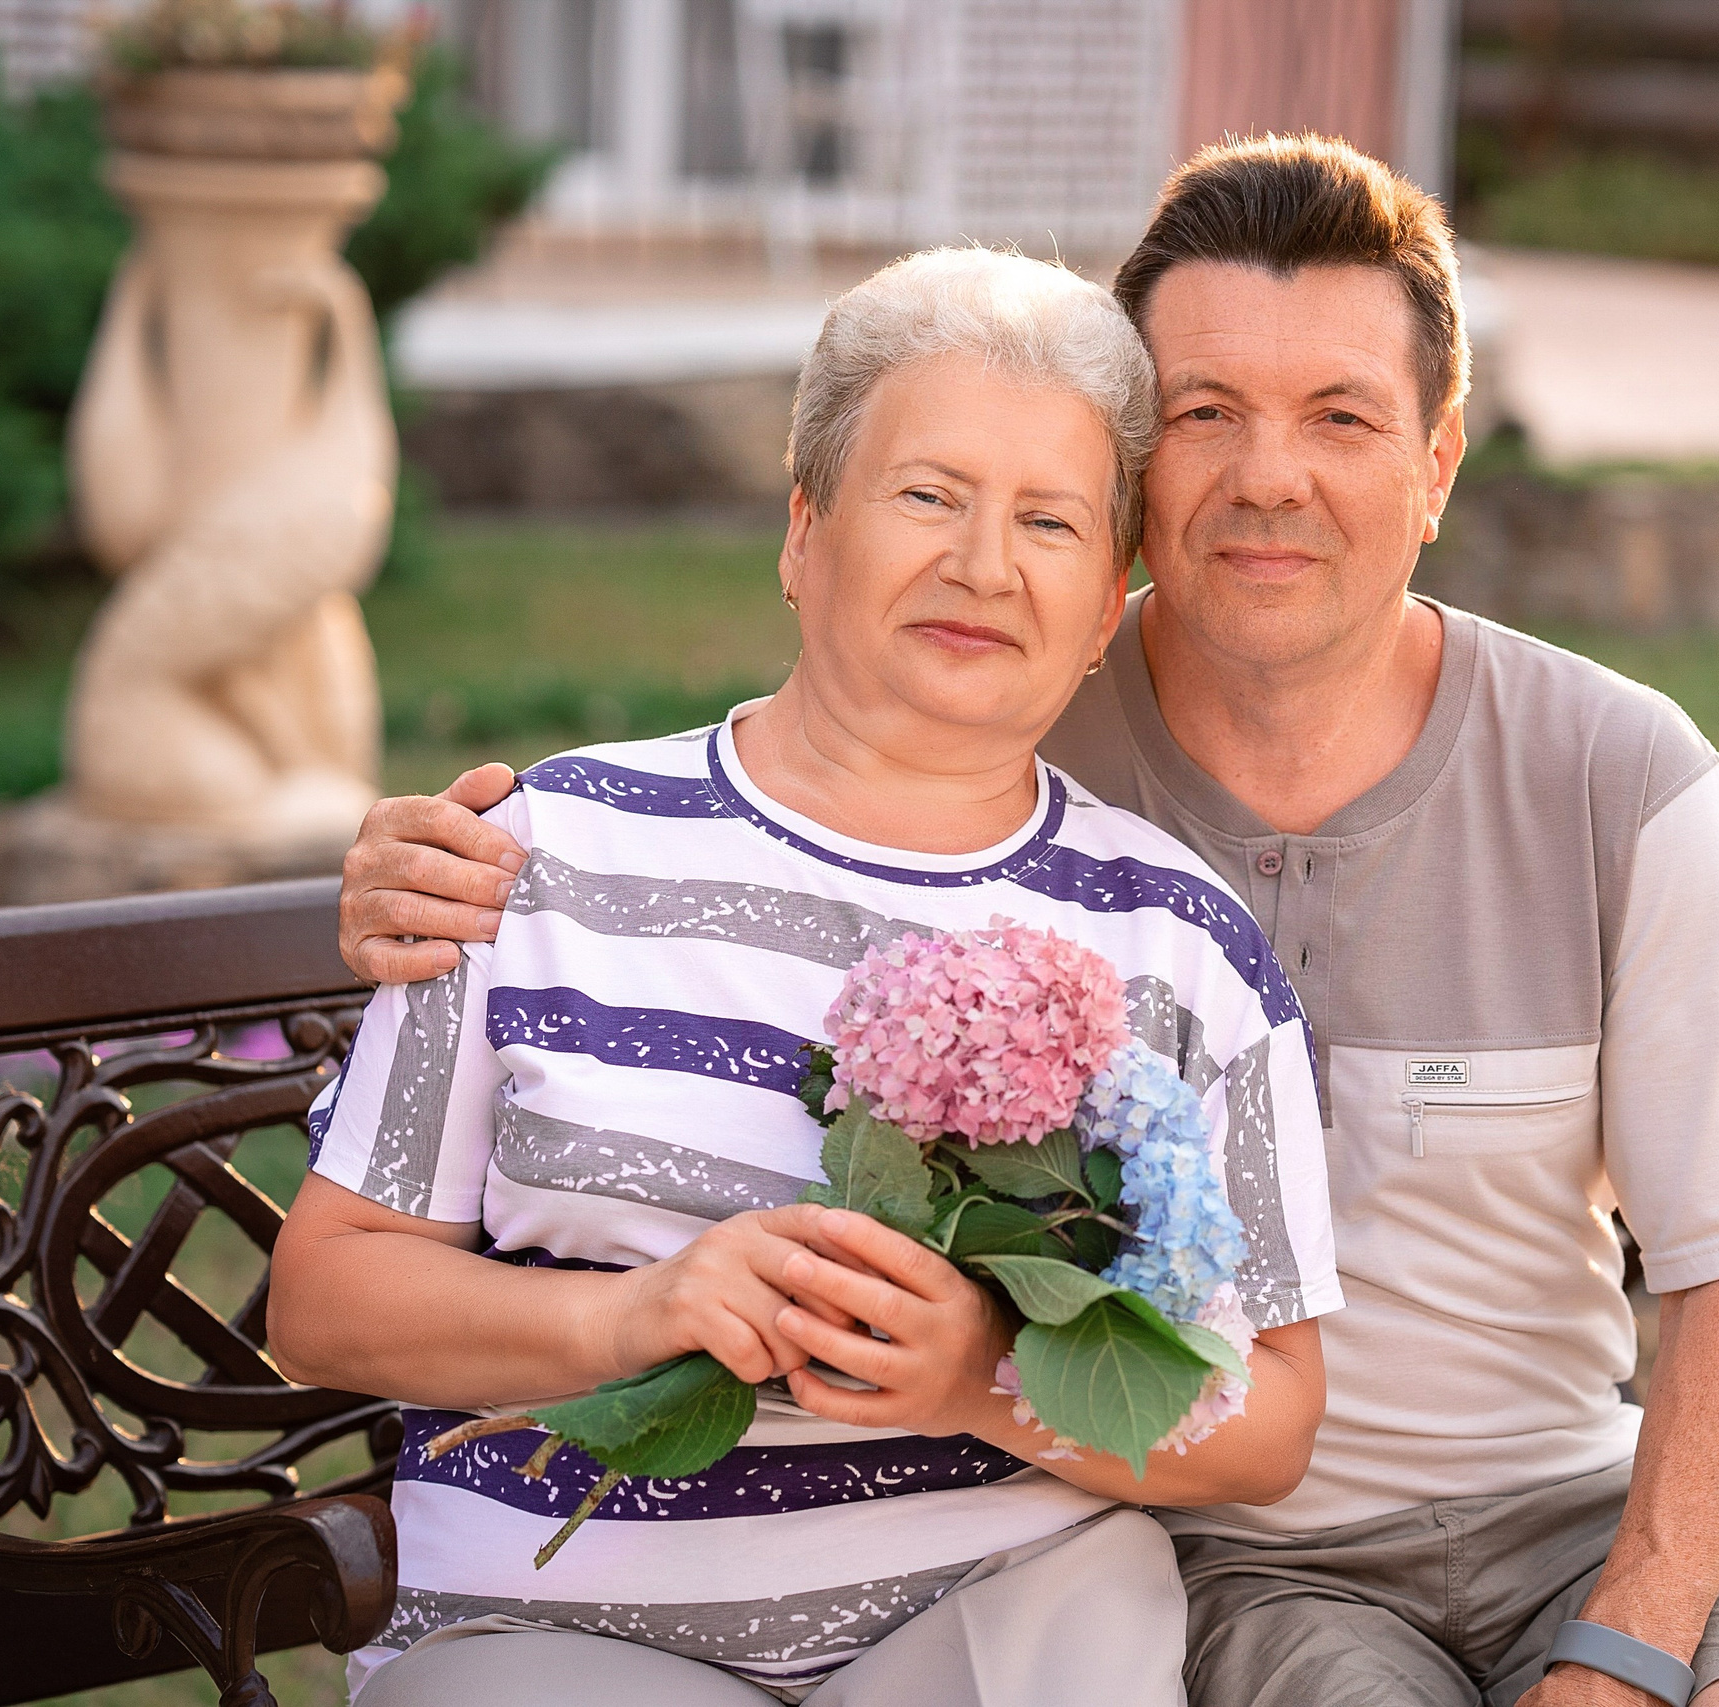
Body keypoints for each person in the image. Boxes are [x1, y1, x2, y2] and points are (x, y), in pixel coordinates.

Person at [338, 137, 1719, 1707]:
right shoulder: (980, 734)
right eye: (1207, 412)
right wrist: (476, 865)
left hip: (1571, 1509)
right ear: (1139, 492)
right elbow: (797, 789)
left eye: (1341, 417)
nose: (1269, 476)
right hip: (1241, 1563)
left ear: (1437, 466)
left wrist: (1625, 1654)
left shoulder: (1604, 777)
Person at [270, 246, 1341, 1706]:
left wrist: (982, 1375)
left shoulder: (1183, 944)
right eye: (928, 495)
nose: (984, 565)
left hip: (986, 1632)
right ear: (803, 530)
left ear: (1106, 606)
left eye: (1049, 521)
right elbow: (325, 1300)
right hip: (559, 1645)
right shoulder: (530, 859)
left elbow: (1272, 1420)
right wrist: (630, 1319)